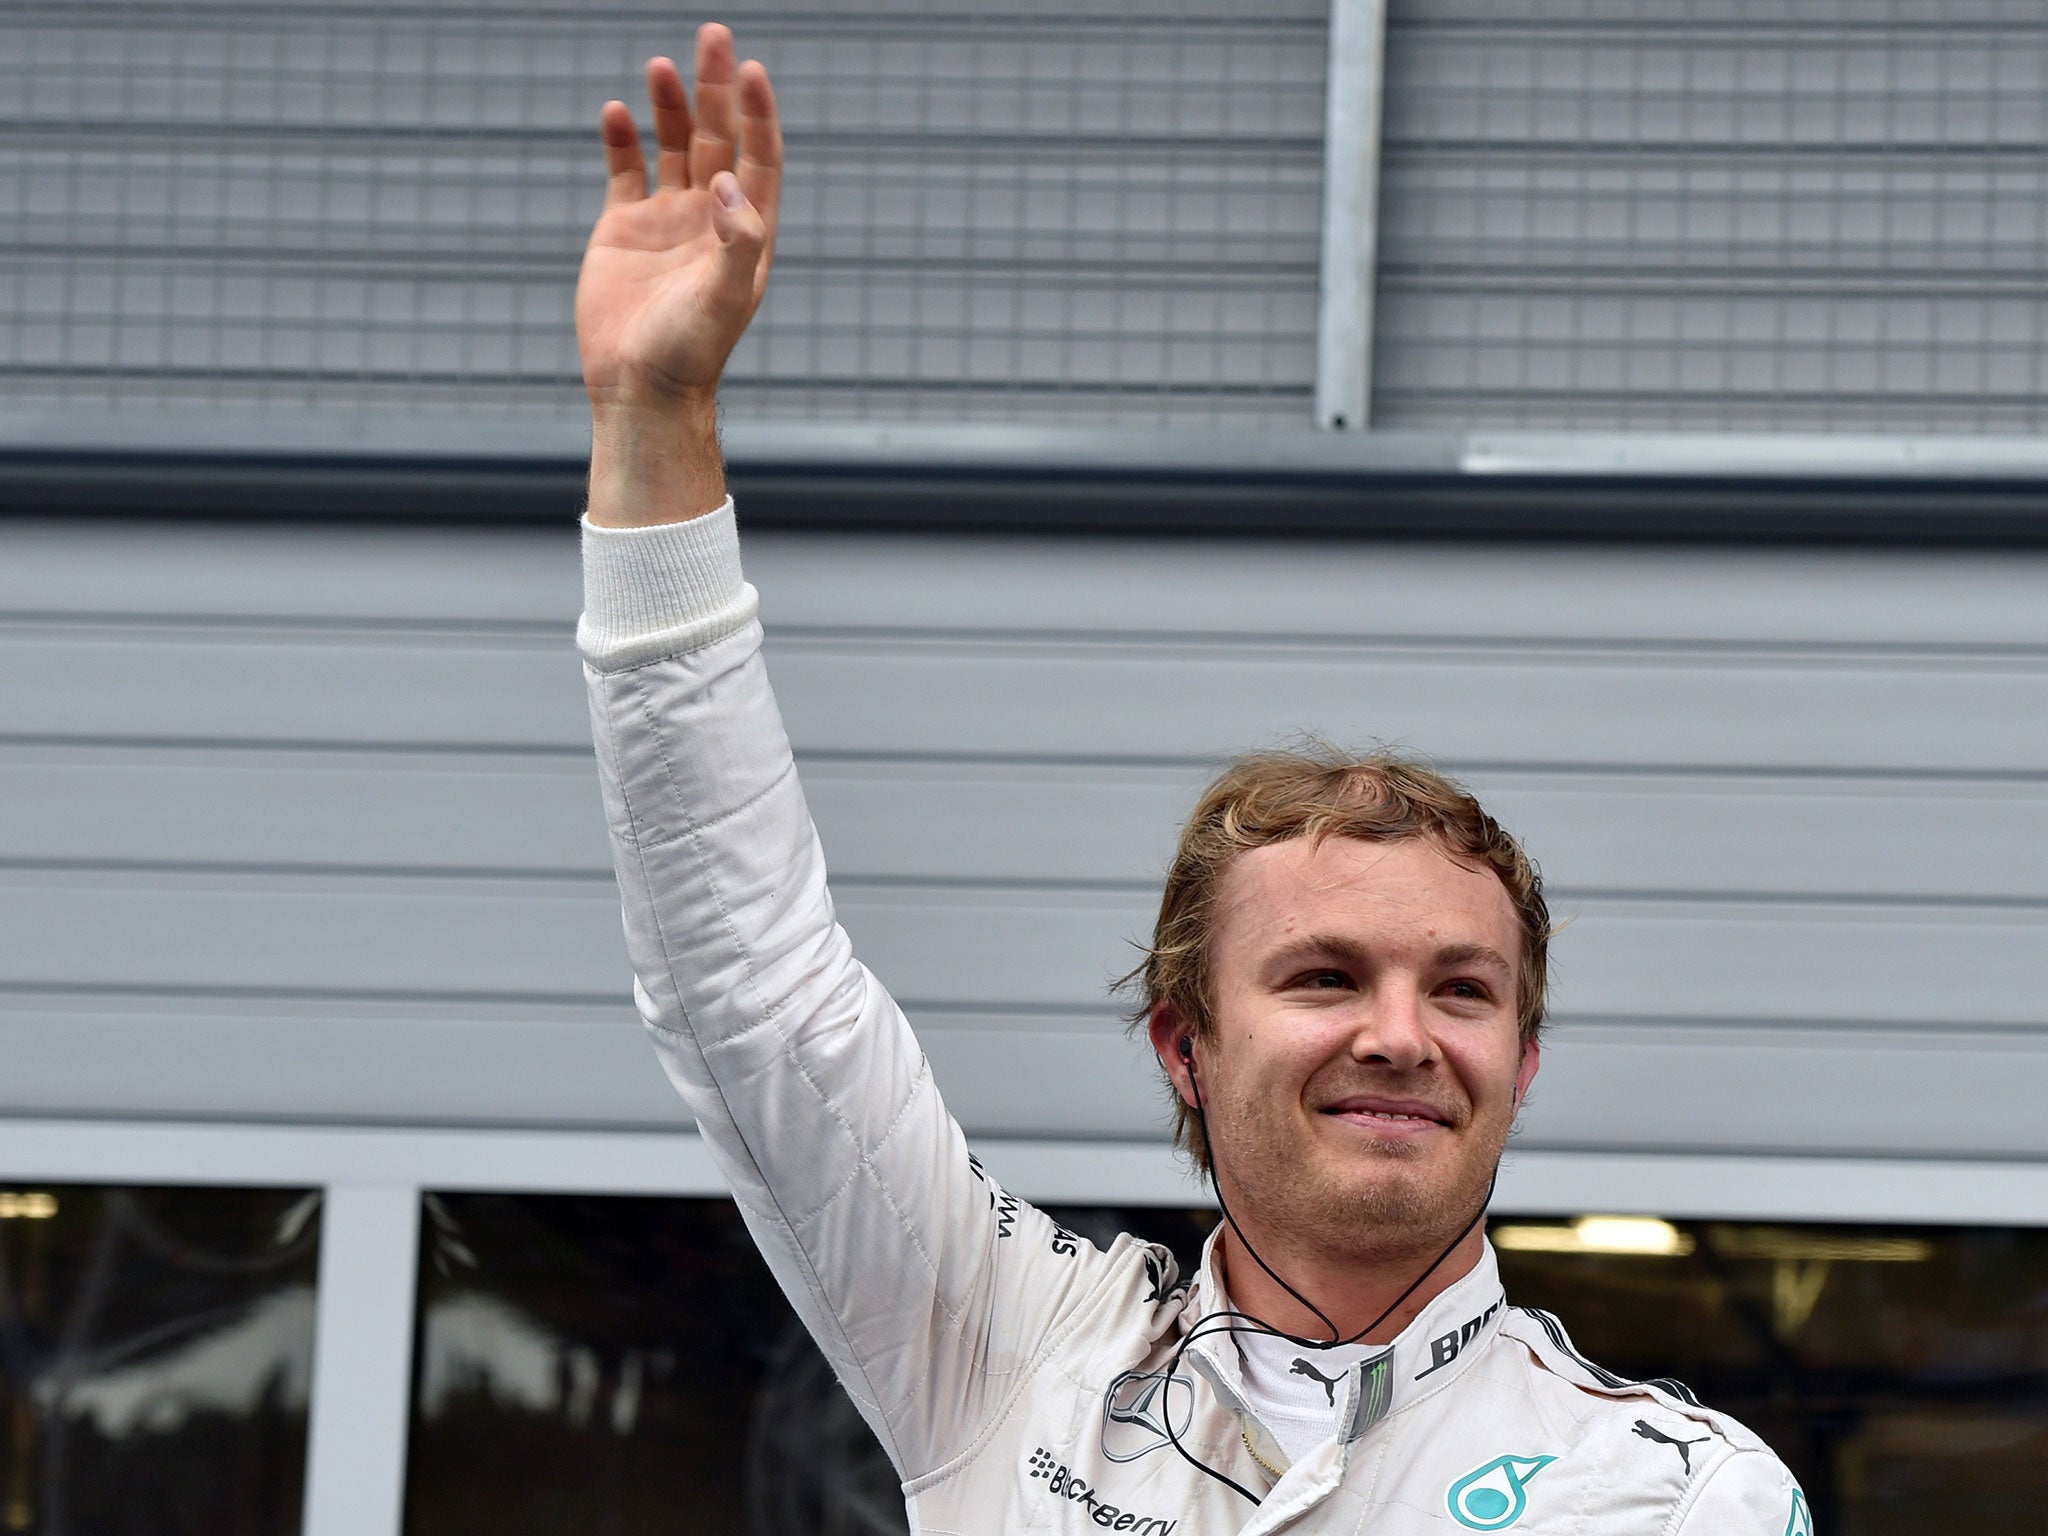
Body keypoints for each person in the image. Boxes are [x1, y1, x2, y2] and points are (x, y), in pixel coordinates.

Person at [573, 23, 1810, 1533]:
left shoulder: (1675, 1495)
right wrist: (654, 426)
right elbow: (750, 986)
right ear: (1184, 1044)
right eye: (1324, 976)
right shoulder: (1015, 1353)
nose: (1403, 1036)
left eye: (1466, 991)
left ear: (1527, 1061)